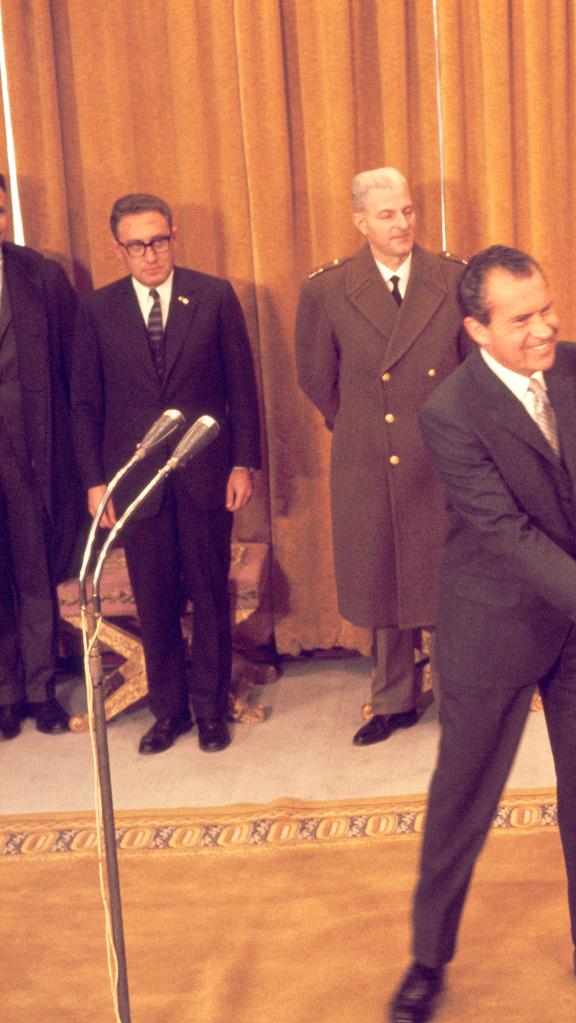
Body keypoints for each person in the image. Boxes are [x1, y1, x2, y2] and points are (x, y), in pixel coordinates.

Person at [388, 245, 576, 1023]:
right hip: (495, 625)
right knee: (464, 790)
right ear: (478, 329)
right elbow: (509, 534)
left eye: (547, 309)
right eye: (524, 319)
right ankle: (428, 956)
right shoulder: (449, 412)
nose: (546, 327)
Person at [71, 194, 261, 755]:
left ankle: (211, 710)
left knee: (208, 593)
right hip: (134, 484)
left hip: (206, 473)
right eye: (137, 245)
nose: (150, 254)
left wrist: (242, 462)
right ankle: (168, 712)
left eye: (159, 241)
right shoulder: (96, 311)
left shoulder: (212, 295)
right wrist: (94, 481)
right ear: (119, 250)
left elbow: (241, 388)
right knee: (155, 599)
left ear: (174, 237)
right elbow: (84, 403)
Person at [295, 167, 467, 745]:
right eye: (387, 214)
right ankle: (392, 699)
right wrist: (364, 424)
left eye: (408, 211)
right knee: (385, 578)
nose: (402, 224)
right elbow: (317, 376)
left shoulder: (451, 278)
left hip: (442, 455)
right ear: (360, 221)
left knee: (445, 579)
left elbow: (473, 372)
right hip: (370, 455)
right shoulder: (328, 289)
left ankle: (459, 698)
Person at [0, 174, 82, 739]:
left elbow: (76, 375)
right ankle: (4, 695)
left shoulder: (41, 277)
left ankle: (40, 689)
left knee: (33, 576)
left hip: (31, 456)